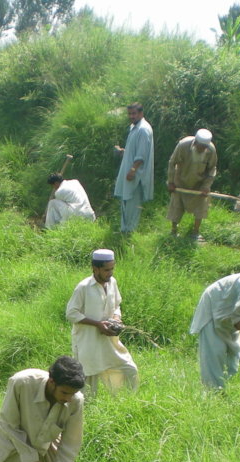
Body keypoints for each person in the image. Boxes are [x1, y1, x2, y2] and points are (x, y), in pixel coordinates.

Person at [65, 249, 138, 396]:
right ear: (95, 268)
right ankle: (85, 412)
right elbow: (71, 313)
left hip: (109, 340)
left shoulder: (112, 283)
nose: (110, 273)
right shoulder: (83, 287)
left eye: (112, 269)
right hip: (88, 341)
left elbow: (117, 304)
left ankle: (128, 402)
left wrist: (116, 318)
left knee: (129, 369)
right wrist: (98, 324)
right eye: (106, 270)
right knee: (87, 381)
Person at [166, 128, 218, 240]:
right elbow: (172, 162)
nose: (201, 149)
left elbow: (212, 168)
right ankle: (174, 231)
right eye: (200, 147)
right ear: (195, 142)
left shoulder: (211, 150)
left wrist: (206, 186)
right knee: (176, 206)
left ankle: (195, 232)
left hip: (199, 183)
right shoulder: (183, 145)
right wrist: (171, 182)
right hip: (180, 180)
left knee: (200, 207)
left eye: (204, 147)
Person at [113, 103, 154, 233]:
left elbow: (141, 155)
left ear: (141, 114)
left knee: (131, 202)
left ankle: (129, 232)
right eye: (129, 114)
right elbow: (134, 151)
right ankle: (124, 230)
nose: (131, 116)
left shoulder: (143, 129)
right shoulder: (134, 127)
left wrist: (133, 170)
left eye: (134, 113)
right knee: (126, 201)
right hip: (129, 170)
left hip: (136, 174)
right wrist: (123, 151)